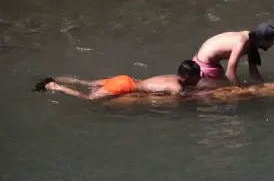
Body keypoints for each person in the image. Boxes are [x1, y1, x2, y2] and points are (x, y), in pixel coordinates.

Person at [32, 60, 203, 100]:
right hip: (125, 86)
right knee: (90, 99)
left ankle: (54, 78)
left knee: (88, 83)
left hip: (125, 78)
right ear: (187, 76)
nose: (200, 78)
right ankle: (55, 86)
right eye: (198, 76)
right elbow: (184, 98)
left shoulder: (171, 77)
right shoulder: (175, 86)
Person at [192, 23, 274, 87]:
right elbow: (230, 72)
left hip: (210, 63)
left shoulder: (252, 39)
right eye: (272, 40)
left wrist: (262, 86)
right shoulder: (242, 42)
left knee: (224, 83)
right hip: (203, 66)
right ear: (264, 41)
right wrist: (239, 91)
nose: (273, 43)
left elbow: (253, 73)